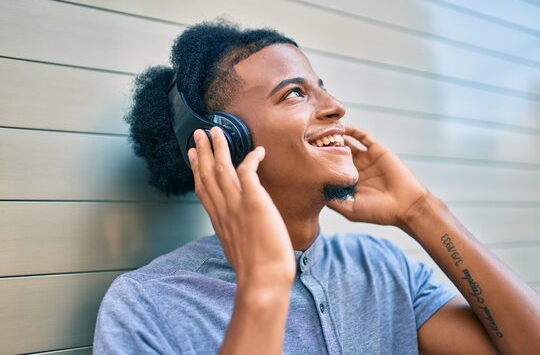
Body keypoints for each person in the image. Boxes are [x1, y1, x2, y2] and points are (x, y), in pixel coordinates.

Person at [94, 21, 540, 354]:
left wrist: (421, 210)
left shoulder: (382, 268)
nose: (336, 108)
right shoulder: (146, 306)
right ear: (223, 139)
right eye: (294, 93)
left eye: (323, 89)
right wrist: (264, 285)